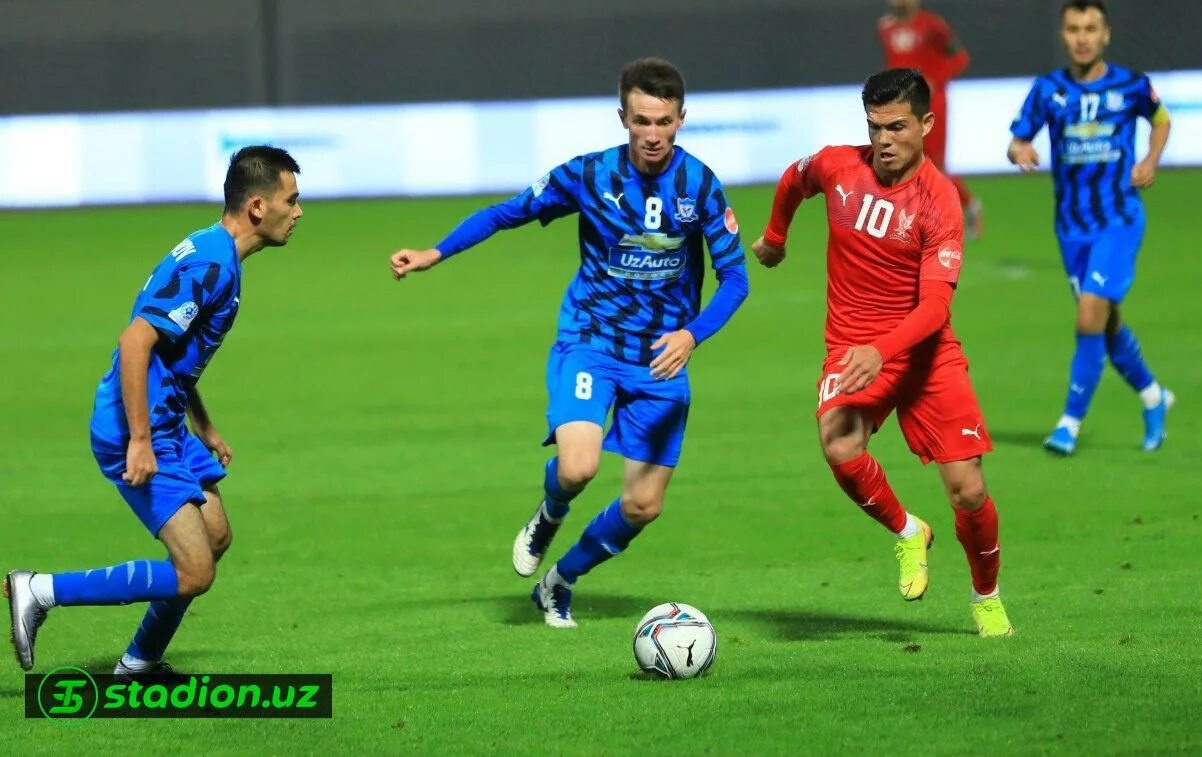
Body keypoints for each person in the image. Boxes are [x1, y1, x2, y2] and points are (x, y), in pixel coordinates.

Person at [390, 57, 749, 628]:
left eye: (663, 122)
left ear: (681, 119)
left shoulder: (700, 185)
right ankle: (550, 511)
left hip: (660, 359)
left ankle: (559, 583)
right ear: (622, 118)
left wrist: (691, 334)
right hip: (592, 341)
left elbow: (737, 279)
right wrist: (436, 252)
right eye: (640, 121)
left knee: (643, 505)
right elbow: (507, 213)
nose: (652, 135)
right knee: (578, 467)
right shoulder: (589, 175)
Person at [5, 146, 304, 677]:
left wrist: (203, 425)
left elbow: (173, 353)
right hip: (135, 426)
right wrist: (140, 441)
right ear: (258, 206)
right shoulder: (213, 263)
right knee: (194, 572)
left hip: (166, 421)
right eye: (292, 200)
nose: (299, 212)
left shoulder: (219, 256)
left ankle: (139, 662)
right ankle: (39, 589)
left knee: (214, 537)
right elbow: (137, 341)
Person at [751, 68, 1011, 638]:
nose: (884, 139)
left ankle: (985, 595)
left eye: (896, 127)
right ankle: (908, 532)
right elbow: (794, 180)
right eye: (874, 127)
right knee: (838, 443)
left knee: (968, 489)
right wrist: (775, 236)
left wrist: (882, 348)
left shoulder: (938, 202)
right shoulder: (838, 165)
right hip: (854, 349)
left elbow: (935, 307)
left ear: (926, 123)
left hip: (923, 354)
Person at [1007, 0, 1173, 456]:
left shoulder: (1131, 85)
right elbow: (1017, 140)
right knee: (1104, 321)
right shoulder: (1048, 90)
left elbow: (1160, 120)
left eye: (1091, 28)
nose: (1082, 37)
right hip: (1071, 227)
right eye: (1074, 29)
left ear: (1106, 35)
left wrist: (1150, 159)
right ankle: (1155, 397)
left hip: (1118, 220)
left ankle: (1069, 423)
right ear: (1064, 36)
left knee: (1088, 316)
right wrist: (1019, 151)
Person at [877, 0, 983, 240]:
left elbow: (960, 56)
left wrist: (934, 80)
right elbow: (894, 62)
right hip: (901, 103)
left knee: (932, 163)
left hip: (931, 102)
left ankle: (967, 206)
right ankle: (916, 223)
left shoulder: (932, 25)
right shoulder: (885, 28)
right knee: (902, 160)